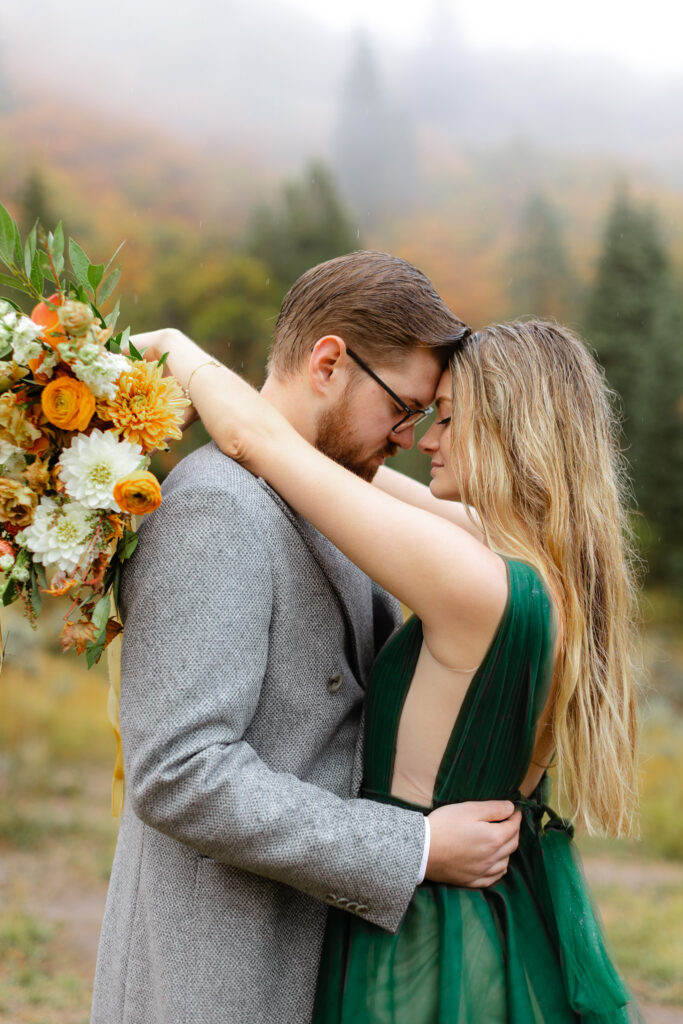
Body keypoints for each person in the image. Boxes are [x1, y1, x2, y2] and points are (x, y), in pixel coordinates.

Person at [143, 316, 642, 1022]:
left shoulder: (470, 578)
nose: (425, 440)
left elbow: (259, 444)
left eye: (446, 419)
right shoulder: (547, 562)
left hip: (422, 935)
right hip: (498, 914)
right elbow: (353, 473)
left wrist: (172, 350)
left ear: (509, 431)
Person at [91, 252, 523, 1024]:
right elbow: (179, 773)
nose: (407, 437)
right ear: (328, 361)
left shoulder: (325, 494)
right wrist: (412, 849)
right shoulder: (215, 510)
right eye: (402, 408)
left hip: (317, 950)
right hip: (225, 971)